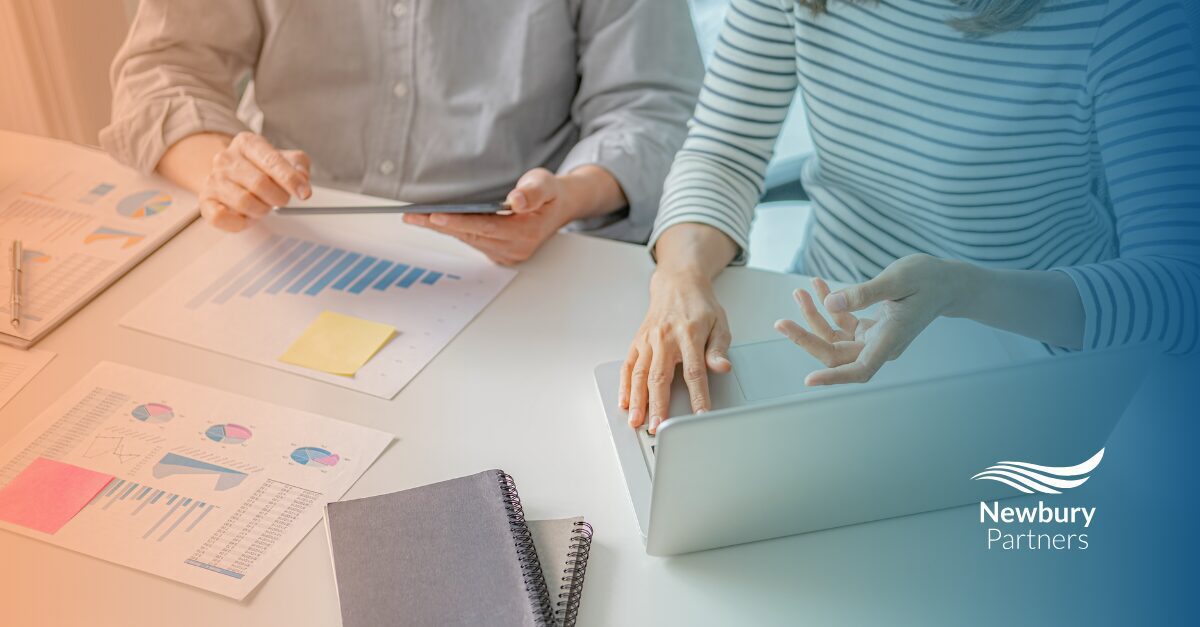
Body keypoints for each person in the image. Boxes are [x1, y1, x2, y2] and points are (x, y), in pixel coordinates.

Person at [621, 0, 1200, 434]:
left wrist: (962, 290)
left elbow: (1181, 287)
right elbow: (723, 152)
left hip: (1029, 376)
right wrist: (680, 275)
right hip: (816, 339)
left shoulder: (1130, 16)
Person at [101, 0, 703, 265]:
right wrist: (219, 168)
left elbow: (651, 109)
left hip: (509, 253)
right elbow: (163, 67)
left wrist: (570, 196)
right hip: (287, 236)